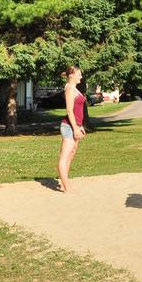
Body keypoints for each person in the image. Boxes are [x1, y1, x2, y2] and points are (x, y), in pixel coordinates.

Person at [57, 65, 87, 193]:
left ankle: (65, 183)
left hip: (75, 125)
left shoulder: (75, 89)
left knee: (71, 155)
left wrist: (80, 126)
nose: (80, 76)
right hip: (69, 126)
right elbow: (69, 110)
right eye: (78, 74)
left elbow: (77, 110)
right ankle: (67, 187)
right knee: (65, 156)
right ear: (71, 76)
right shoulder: (69, 89)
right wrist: (75, 128)